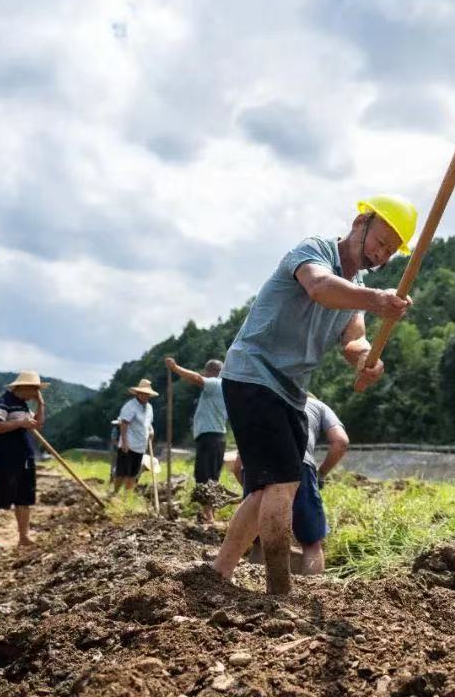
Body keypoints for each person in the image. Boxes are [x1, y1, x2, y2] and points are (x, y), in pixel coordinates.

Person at [213, 194, 416, 594]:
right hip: (255, 373)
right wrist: (378, 300)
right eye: (381, 241)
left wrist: (365, 362)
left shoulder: (356, 290)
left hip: (291, 392)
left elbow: (353, 341)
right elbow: (320, 287)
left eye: (392, 251)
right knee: (285, 482)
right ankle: (278, 587)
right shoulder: (313, 251)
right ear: (361, 221)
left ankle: (219, 572)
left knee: (265, 488)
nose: (383, 254)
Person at [238, 393, 349, 575]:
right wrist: (320, 474)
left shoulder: (266, 399)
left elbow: (237, 464)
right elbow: (341, 442)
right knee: (311, 544)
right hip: (298, 465)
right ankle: (311, 590)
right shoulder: (318, 406)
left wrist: (252, 488)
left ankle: (253, 587)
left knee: (258, 540)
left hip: (256, 464)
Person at [0, 370, 47, 551]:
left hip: (26, 457)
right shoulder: (3, 402)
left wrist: (41, 404)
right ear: (23, 387)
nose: (35, 393)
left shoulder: (23, 405)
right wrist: (19, 424)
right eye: (34, 390)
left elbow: (38, 424)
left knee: (24, 498)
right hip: (7, 458)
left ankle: (24, 537)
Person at [164, 356, 228, 522]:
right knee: (212, 476)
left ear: (211, 372)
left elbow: (196, 378)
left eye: (206, 372)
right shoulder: (225, 388)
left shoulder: (216, 384)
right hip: (217, 437)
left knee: (204, 476)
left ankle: (208, 515)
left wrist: (176, 368)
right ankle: (209, 513)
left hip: (210, 437)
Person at [114, 379, 157, 493]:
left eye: (148, 394)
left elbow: (148, 423)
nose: (146, 396)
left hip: (140, 446)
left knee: (133, 473)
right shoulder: (130, 406)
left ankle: (127, 496)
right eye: (144, 394)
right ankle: (115, 492)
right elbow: (124, 423)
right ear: (138, 393)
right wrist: (124, 442)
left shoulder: (149, 408)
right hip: (129, 445)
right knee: (122, 472)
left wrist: (151, 431)